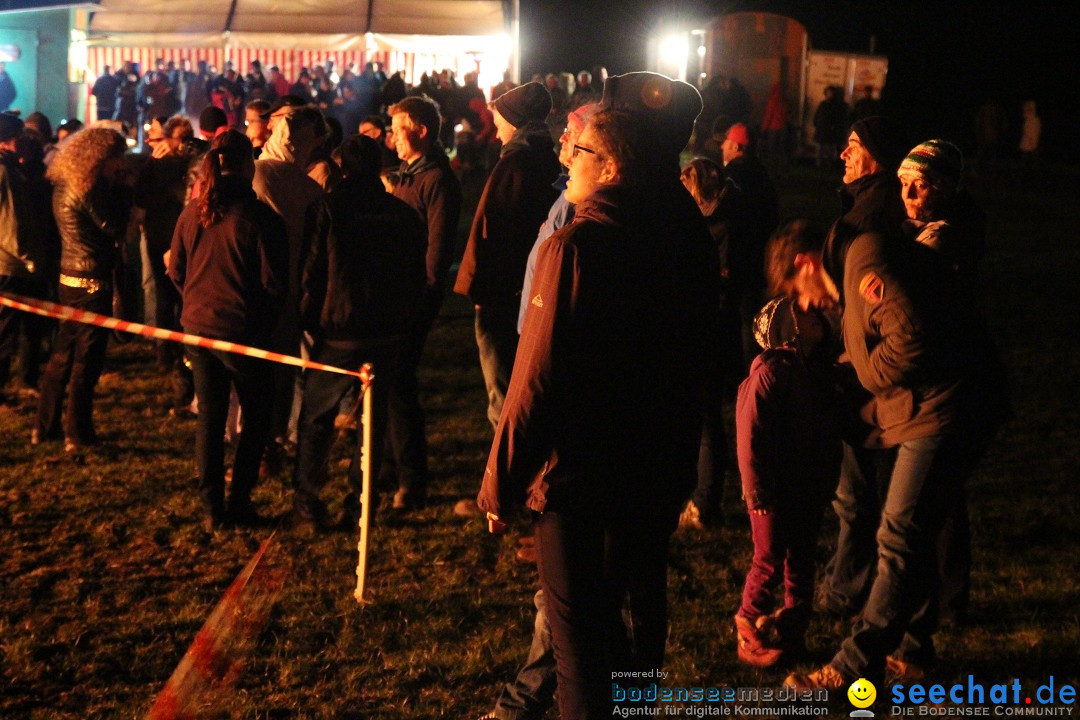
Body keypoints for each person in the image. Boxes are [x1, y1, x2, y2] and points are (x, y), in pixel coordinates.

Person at [476, 72, 720, 719]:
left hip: (581, 486)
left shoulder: (581, 244)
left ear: (610, 161)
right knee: (639, 631)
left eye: (580, 149)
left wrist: (500, 485)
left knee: (580, 650)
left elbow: (538, 380)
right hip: (658, 471)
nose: (570, 161)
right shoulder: (688, 236)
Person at [772, 137, 1010, 692]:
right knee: (915, 533)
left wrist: (865, 370)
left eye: (796, 290)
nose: (803, 304)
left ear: (808, 263)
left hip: (949, 406)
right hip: (944, 401)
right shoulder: (861, 268)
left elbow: (908, 342)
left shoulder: (865, 263)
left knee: (899, 534)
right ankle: (914, 648)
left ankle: (854, 664)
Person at [290, 135, 427, 530]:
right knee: (372, 420)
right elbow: (416, 275)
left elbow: (310, 273)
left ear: (342, 170)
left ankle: (307, 502)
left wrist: (309, 320)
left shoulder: (327, 209)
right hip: (385, 333)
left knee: (316, 417)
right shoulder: (401, 214)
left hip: (339, 332)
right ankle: (361, 503)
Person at [167, 130, 289, 531]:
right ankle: (238, 502)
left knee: (211, 416)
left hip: (199, 329)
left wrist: (195, 300)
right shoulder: (260, 219)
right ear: (249, 166)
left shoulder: (192, 213)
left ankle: (211, 508)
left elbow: (176, 269)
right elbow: (275, 284)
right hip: (242, 331)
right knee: (255, 417)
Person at [734, 283, 841, 667]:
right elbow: (749, 435)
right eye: (806, 315)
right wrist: (755, 488)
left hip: (806, 486)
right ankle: (748, 628)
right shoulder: (769, 373)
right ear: (790, 330)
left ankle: (792, 630)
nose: (817, 317)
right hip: (773, 490)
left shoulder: (816, 370)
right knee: (769, 557)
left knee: (801, 560)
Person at [454, 81, 560, 430]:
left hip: (503, 292)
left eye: (499, 119)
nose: (495, 128)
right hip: (519, 287)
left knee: (504, 386)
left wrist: (481, 286)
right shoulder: (541, 157)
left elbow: (497, 230)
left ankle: (506, 462)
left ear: (514, 120)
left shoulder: (517, 163)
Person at [381, 95, 462, 512]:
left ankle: (411, 479)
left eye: (399, 129)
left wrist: (425, 295)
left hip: (413, 297)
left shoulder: (436, 181)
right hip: (396, 293)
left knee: (400, 386)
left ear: (423, 132)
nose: (391, 137)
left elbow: (438, 247)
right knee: (392, 384)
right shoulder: (409, 176)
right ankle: (393, 469)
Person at [32, 128, 131, 453]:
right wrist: (125, 191)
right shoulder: (90, 188)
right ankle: (79, 433)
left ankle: (44, 427)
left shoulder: (65, 181)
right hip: (92, 280)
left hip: (68, 276)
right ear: (102, 157)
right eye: (117, 159)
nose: (119, 165)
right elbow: (112, 226)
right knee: (86, 361)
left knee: (63, 353)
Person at [719, 122, 779, 373]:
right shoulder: (763, 175)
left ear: (736, 146)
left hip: (734, 258)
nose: (722, 146)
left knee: (732, 318)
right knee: (751, 316)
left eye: (726, 142)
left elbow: (725, 221)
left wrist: (724, 261)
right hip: (758, 256)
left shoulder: (730, 177)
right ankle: (754, 369)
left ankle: (736, 372)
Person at [0, 114, 51, 405]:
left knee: (25, 326)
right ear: (8, 139)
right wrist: (28, 256)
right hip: (13, 264)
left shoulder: (13, 169)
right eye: (19, 135)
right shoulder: (5, 172)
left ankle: (25, 380)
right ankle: (10, 384)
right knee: (8, 331)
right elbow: (11, 222)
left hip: (13, 261)